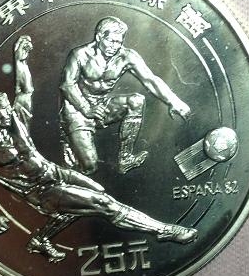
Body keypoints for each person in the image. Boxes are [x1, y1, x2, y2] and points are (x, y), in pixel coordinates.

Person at [0, 42, 197, 262]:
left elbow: (24, 90)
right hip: (40, 192)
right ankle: (164, 230)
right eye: (3, 108)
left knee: (94, 192)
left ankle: (40, 239)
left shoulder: (17, 121)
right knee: (103, 203)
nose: (9, 110)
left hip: (55, 173)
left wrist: (20, 61)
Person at [60, 17, 191, 174]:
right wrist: (86, 109)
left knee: (136, 101)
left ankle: (125, 158)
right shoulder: (80, 54)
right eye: (111, 41)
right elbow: (67, 85)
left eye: (118, 42)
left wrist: (174, 101)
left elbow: (150, 79)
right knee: (90, 166)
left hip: (101, 105)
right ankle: (68, 139)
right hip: (77, 110)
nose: (114, 46)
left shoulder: (126, 56)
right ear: (99, 37)